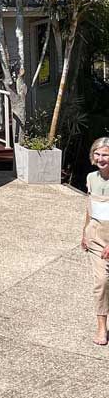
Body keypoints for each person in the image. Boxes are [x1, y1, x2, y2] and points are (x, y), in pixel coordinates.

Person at [81, 137, 109, 345]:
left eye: (105, 155)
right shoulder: (91, 177)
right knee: (101, 282)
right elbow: (89, 207)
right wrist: (84, 232)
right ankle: (101, 328)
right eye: (97, 154)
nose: (100, 158)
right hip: (96, 236)